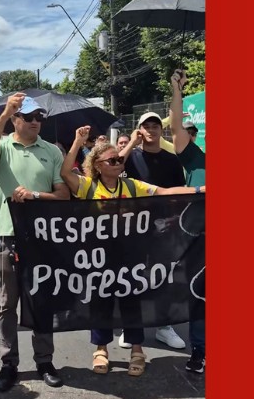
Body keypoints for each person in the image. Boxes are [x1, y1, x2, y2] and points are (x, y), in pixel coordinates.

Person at [61, 126, 200, 376]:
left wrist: (201, 191)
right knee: (100, 302)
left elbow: (166, 192)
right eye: (112, 160)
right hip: (100, 258)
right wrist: (76, 142)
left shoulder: (132, 185)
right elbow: (64, 173)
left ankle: (137, 350)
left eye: (120, 159)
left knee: (132, 302)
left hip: (130, 257)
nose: (118, 163)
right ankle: (101, 349)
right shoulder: (88, 188)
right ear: (98, 165)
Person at [0, 93, 71, 392]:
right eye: (28, 117)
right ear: (15, 120)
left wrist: (34, 196)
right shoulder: (3, 145)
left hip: (44, 238)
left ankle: (44, 360)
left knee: (42, 302)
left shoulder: (52, 152)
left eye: (39, 118)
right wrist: (4, 114)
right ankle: (9, 363)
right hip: (9, 236)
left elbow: (63, 195)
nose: (35, 122)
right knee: (8, 304)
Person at [117, 111, 190, 350]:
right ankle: (131, 327)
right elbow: (113, 169)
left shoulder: (171, 160)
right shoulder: (130, 157)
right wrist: (131, 145)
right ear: (139, 130)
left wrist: (173, 220)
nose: (151, 129)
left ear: (162, 129)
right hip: (132, 229)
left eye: (155, 125)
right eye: (146, 125)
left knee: (163, 278)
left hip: (164, 229)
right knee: (131, 277)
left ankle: (163, 326)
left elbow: (179, 193)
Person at [169, 69, 207, 373]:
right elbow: (177, 127)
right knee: (200, 296)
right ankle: (200, 351)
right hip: (198, 240)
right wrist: (177, 90)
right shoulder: (195, 157)